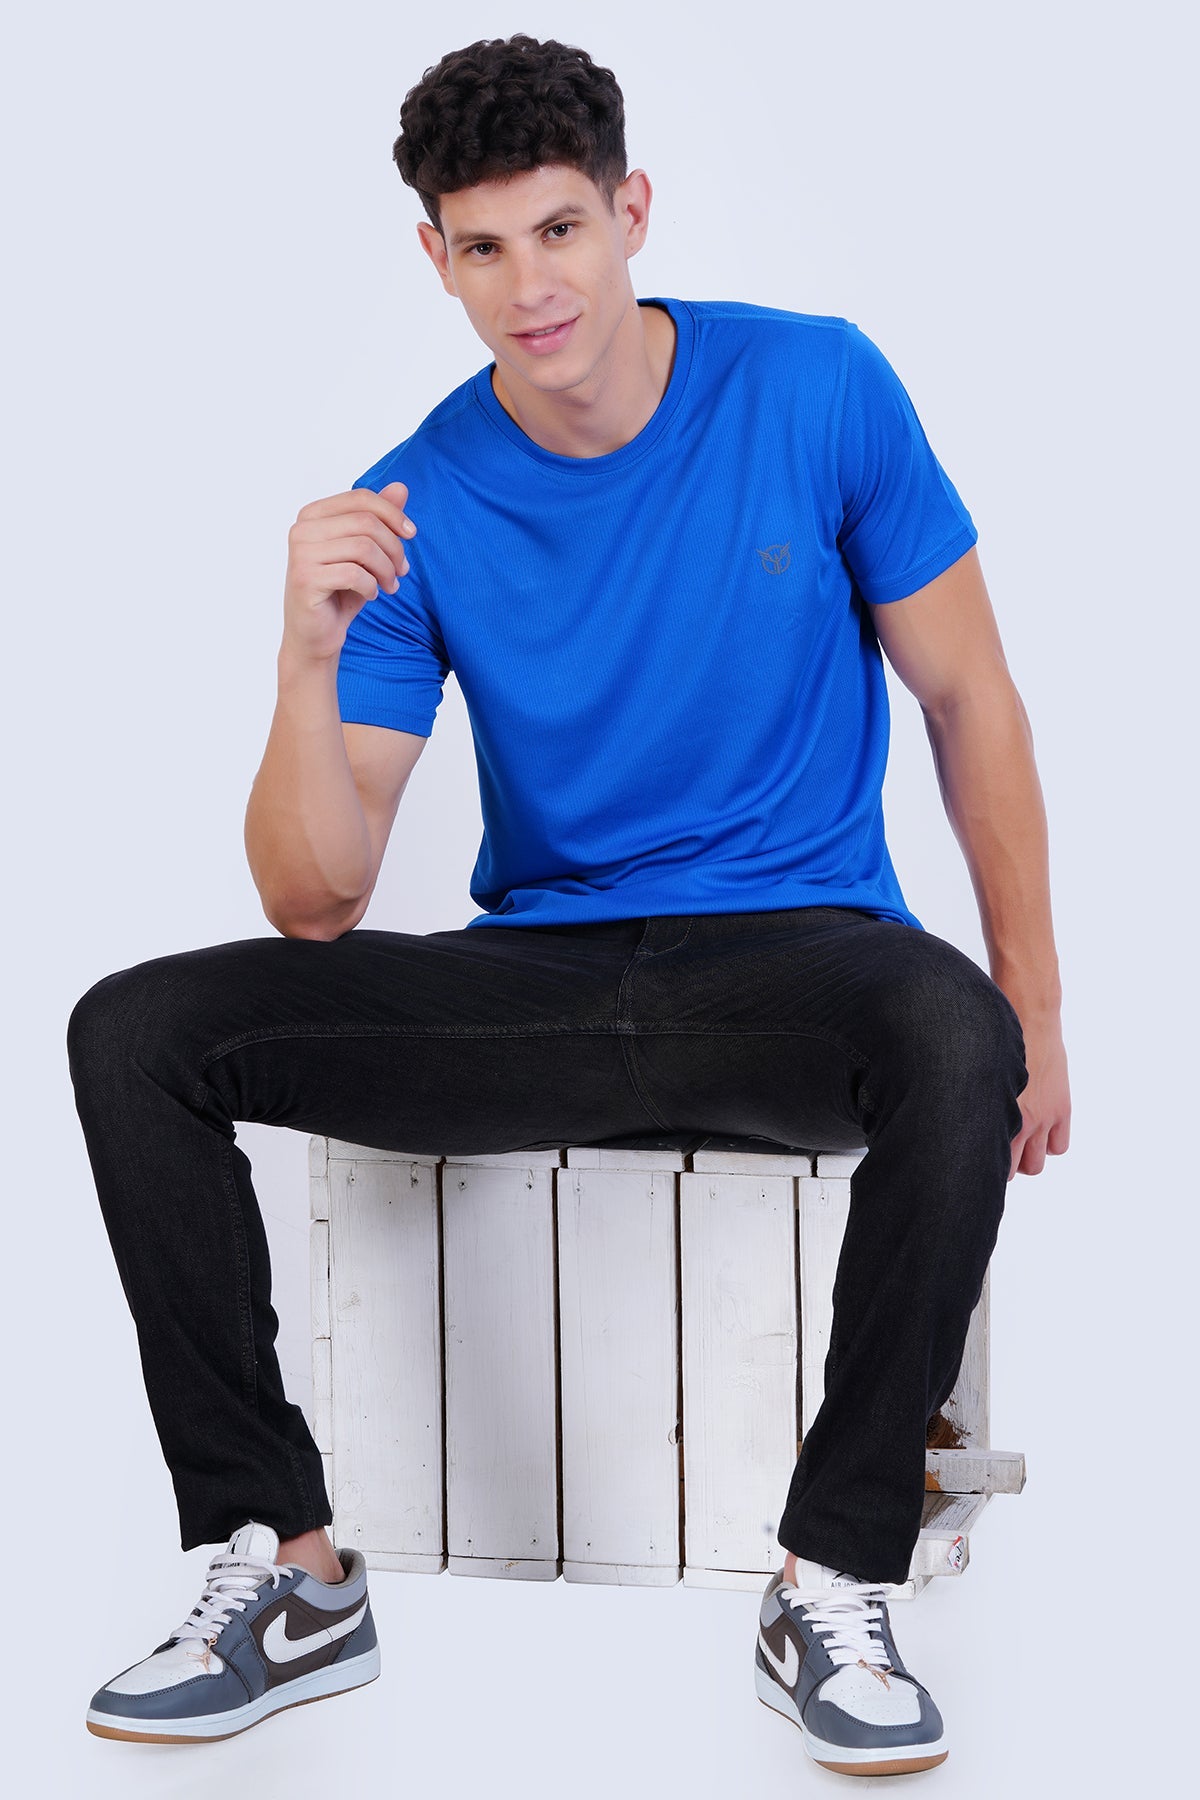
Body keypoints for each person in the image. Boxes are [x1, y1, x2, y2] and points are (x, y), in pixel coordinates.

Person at [67, 32, 1069, 1774]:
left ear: (631, 212)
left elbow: (969, 696)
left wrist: (1034, 1012)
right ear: (435, 258)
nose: (530, 286)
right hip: (540, 978)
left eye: (559, 230)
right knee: (138, 1029)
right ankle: (288, 1571)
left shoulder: (817, 387)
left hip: (793, 964)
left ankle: (833, 1577)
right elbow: (315, 900)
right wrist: (303, 659)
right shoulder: (416, 500)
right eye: (483, 246)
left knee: (952, 1026)